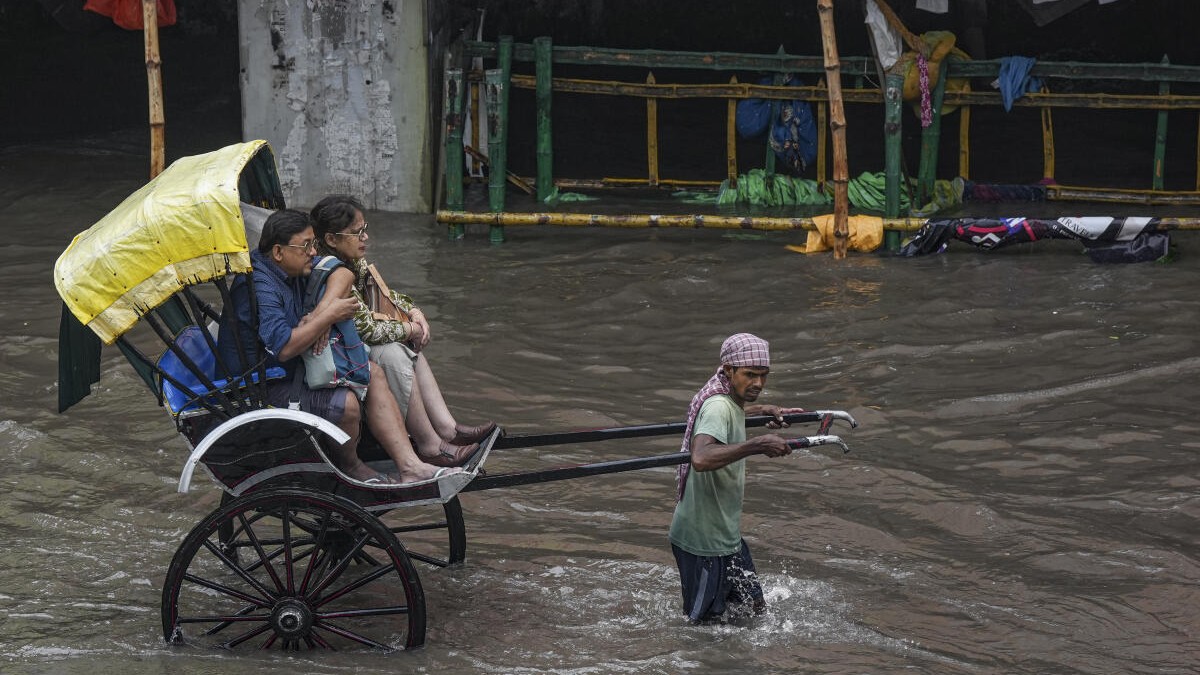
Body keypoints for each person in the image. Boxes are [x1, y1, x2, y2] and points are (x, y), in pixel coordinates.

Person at [218, 208, 461, 485]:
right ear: (278, 252)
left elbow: (341, 273)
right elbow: (285, 347)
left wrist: (321, 312)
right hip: (262, 385)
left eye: (314, 244)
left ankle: (411, 466)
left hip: (288, 370)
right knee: (347, 404)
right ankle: (351, 464)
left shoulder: (291, 266)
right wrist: (329, 316)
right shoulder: (261, 286)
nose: (313, 252)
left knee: (373, 373)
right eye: (306, 245)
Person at [310, 195, 496, 467]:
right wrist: (410, 329)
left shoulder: (353, 263)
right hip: (337, 354)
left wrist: (414, 312)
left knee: (405, 345)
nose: (366, 237)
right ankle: (430, 446)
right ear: (331, 239)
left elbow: (387, 294)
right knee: (394, 351)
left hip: (353, 345)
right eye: (357, 232)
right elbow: (368, 330)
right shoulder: (331, 272)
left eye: (365, 228)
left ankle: (448, 429)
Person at [668, 333, 803, 623]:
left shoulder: (728, 401)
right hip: (703, 541)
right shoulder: (717, 406)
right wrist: (758, 444)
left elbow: (731, 411)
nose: (757, 383)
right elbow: (701, 458)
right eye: (750, 374)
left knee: (754, 614)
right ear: (728, 370)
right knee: (703, 628)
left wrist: (761, 411)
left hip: (726, 536)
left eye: (763, 375)